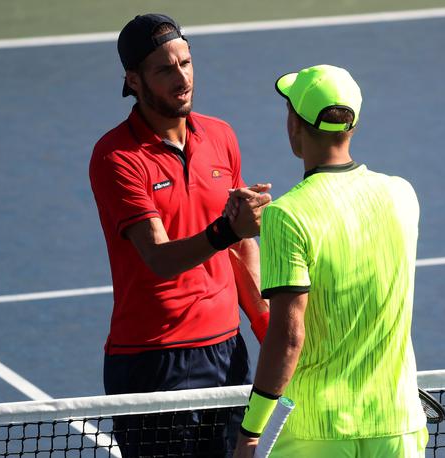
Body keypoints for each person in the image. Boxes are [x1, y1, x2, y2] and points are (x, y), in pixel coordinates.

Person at [89, 13, 270, 458]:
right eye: (164, 70)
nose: (181, 78)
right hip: (153, 359)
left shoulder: (221, 136)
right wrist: (228, 228)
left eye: (186, 63)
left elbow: (242, 242)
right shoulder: (117, 157)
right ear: (133, 80)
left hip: (227, 352)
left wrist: (266, 322)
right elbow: (159, 257)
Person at [232, 65, 428, 457]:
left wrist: (251, 431)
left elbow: (288, 338)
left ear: (294, 124)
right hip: (397, 426)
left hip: (315, 433)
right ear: (351, 126)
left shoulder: (286, 216)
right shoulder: (402, 195)